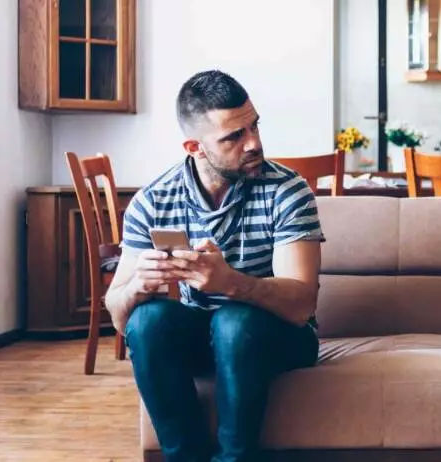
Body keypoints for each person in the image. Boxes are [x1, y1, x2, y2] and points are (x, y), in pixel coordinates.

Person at [103, 70, 325, 462]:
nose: (254, 143)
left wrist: (230, 283)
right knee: (148, 319)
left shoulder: (288, 191)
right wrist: (138, 285)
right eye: (234, 136)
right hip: (202, 334)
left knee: (233, 322)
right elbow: (121, 321)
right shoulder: (153, 201)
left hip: (277, 336)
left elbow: (302, 305)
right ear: (195, 147)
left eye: (254, 126)